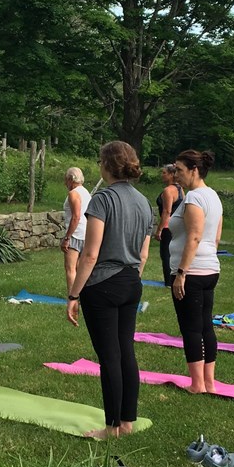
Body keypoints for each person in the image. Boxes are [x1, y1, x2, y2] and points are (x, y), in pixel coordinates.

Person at [66, 141, 153, 439]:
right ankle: (127, 421)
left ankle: (112, 427)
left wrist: (74, 294)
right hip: (131, 281)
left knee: (110, 357)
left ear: (105, 165)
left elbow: (90, 254)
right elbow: (143, 253)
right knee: (126, 351)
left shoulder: (102, 199)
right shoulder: (143, 201)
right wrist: (133, 278)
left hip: (103, 284)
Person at [168, 150, 222, 392]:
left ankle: (197, 384)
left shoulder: (194, 198)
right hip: (208, 267)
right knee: (205, 326)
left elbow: (195, 236)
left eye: (179, 170)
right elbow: (216, 236)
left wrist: (182, 272)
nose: (175, 174)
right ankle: (208, 382)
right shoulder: (213, 196)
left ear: (194, 170)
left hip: (193, 272)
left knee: (191, 328)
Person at [60, 167, 93, 297]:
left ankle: (72, 296)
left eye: (66, 180)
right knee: (81, 268)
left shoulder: (73, 193)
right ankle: (83, 293)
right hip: (86, 233)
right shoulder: (86, 192)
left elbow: (76, 216)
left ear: (70, 179)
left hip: (75, 234)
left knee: (70, 268)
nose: (65, 184)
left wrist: (67, 237)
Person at [154, 164, 182, 287]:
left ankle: (169, 281)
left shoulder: (168, 190)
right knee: (174, 253)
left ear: (171, 174)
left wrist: (159, 230)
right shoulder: (180, 189)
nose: (162, 175)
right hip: (177, 226)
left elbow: (167, 211)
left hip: (168, 226)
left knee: (165, 254)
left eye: (164, 173)